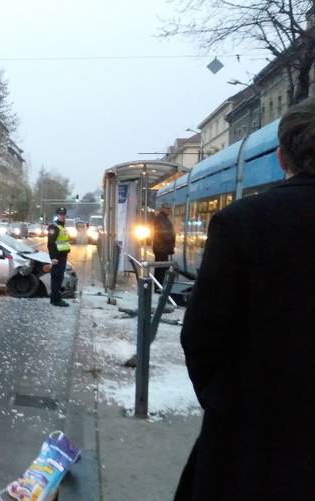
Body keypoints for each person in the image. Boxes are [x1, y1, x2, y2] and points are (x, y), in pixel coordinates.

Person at [174, 98, 315, 500]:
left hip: (254, 437)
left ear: (281, 157)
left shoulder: (244, 222)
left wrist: (226, 404)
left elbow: (202, 335)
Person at [46, 207, 71, 307]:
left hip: (62, 256)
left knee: (59, 278)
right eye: (60, 214)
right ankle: (55, 300)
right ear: (57, 215)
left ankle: (56, 298)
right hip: (57, 257)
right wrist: (53, 258)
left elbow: (61, 241)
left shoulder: (62, 226)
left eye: (63, 214)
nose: (62, 216)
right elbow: (50, 244)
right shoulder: (54, 227)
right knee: (56, 278)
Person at [152, 208, 175, 286]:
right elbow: (163, 233)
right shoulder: (161, 218)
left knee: (161, 268)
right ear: (164, 209)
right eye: (168, 209)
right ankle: (159, 286)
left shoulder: (163, 218)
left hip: (161, 247)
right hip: (161, 248)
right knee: (161, 268)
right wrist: (171, 239)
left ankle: (159, 285)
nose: (170, 211)